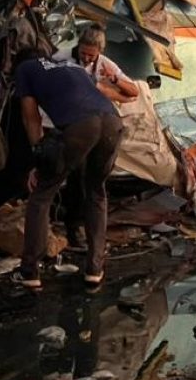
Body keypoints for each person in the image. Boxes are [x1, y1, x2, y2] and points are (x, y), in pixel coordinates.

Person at [13, 47, 124, 289]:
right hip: (113, 122)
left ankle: (30, 271)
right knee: (96, 192)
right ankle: (95, 269)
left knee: (42, 194)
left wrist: (38, 159)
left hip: (81, 126)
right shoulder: (73, 67)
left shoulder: (25, 69)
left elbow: (30, 117)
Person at [52, 23, 139, 250]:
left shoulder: (103, 63)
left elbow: (133, 91)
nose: (87, 58)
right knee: (75, 177)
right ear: (78, 46)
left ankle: (84, 228)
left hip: (98, 127)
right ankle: (73, 227)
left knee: (94, 180)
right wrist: (108, 91)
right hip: (69, 124)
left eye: (92, 55)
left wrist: (115, 81)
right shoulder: (62, 59)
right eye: (84, 53)